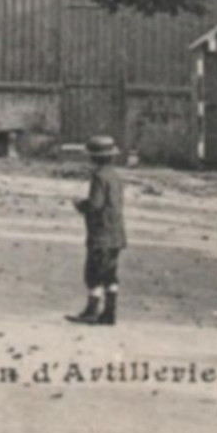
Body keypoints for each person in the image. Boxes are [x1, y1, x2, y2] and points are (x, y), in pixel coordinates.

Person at [67, 135, 126, 326]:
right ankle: (110, 313)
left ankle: (91, 311)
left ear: (93, 158)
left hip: (100, 233)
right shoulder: (116, 176)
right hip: (116, 232)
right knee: (110, 273)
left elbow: (96, 204)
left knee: (93, 274)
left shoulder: (98, 177)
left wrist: (80, 205)